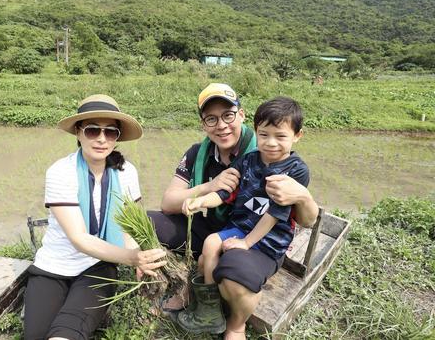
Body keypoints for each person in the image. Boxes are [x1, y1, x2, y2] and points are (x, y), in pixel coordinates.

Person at [148, 83, 318, 339]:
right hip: (224, 227)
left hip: (256, 235)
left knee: (229, 271)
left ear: (241, 115)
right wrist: (205, 192)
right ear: (203, 124)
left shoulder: (267, 156)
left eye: (228, 115)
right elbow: (171, 201)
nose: (221, 125)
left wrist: (247, 241)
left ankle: (233, 321)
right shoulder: (206, 154)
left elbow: (299, 218)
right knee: (154, 223)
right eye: (211, 118)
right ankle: (208, 305)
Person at [23, 94, 167, 340]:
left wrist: (137, 256)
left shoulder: (126, 173)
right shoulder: (61, 171)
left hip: (98, 266)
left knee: (65, 334)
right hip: (54, 265)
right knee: (35, 335)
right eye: (92, 131)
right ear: (78, 133)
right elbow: (79, 238)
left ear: (117, 137)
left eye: (110, 132)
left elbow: (127, 226)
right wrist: (132, 258)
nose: (102, 139)